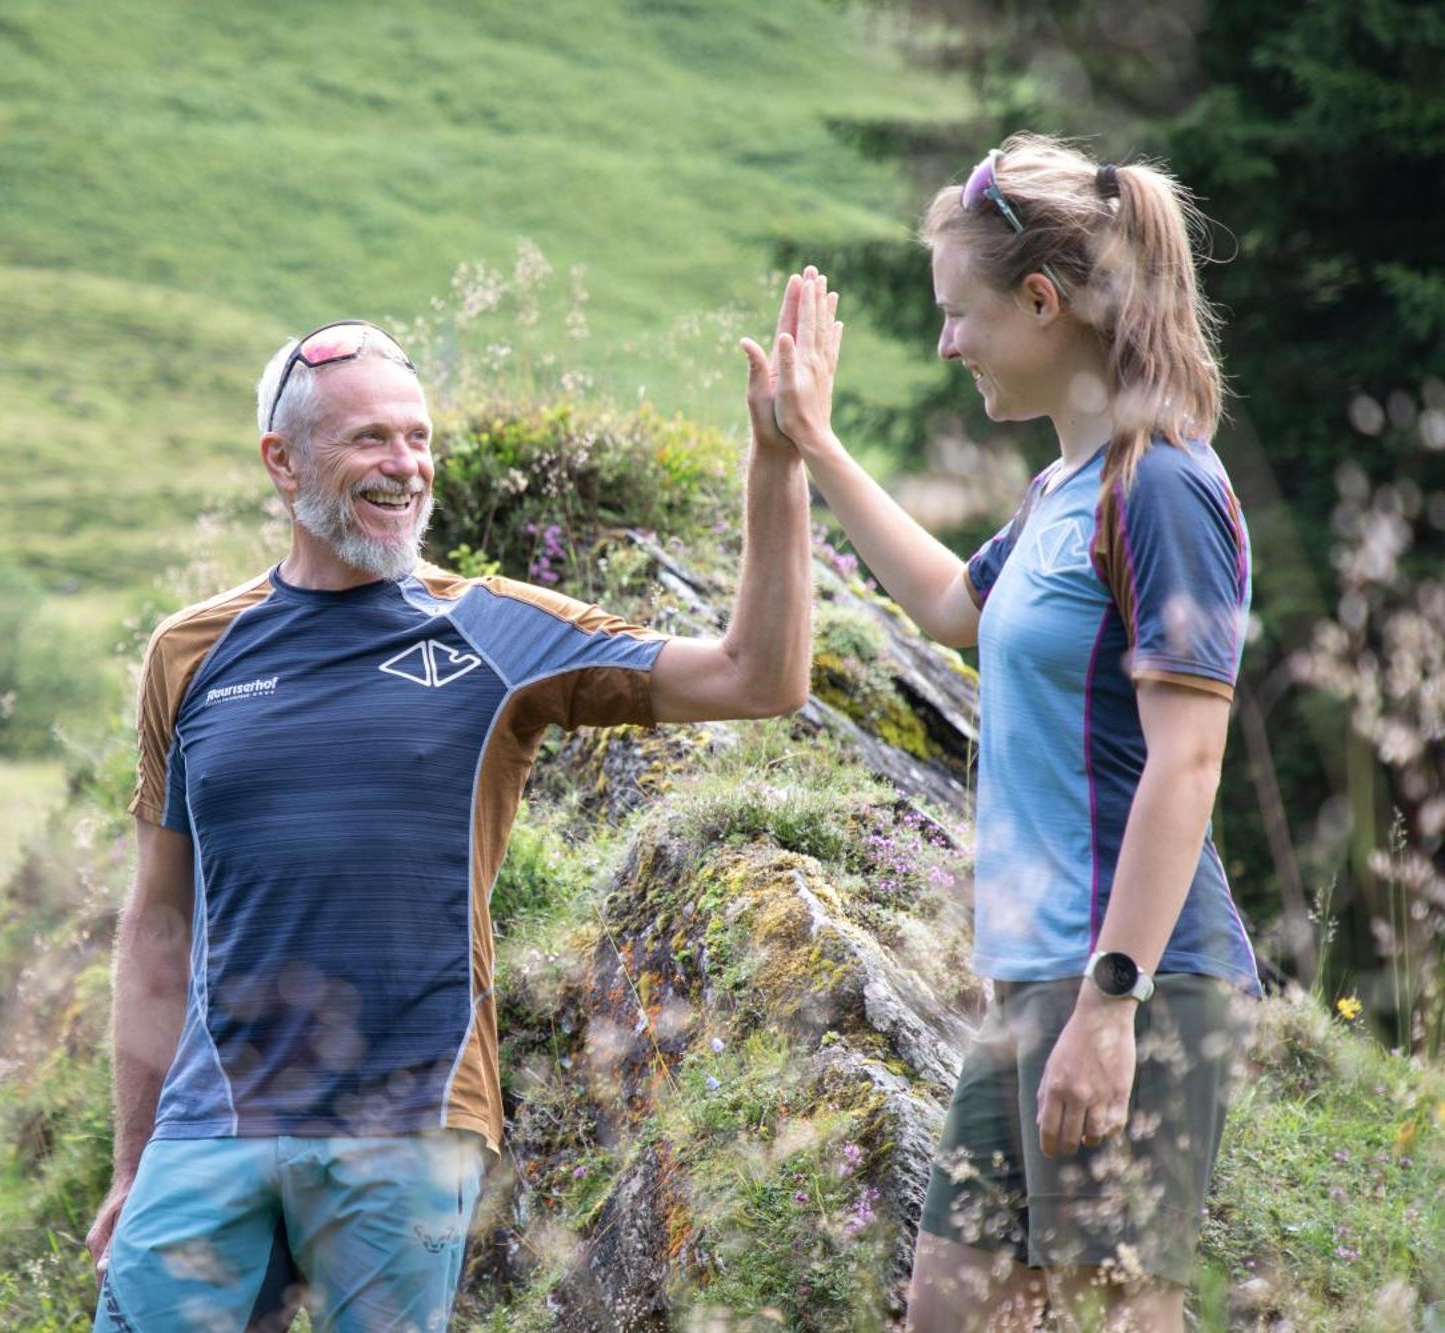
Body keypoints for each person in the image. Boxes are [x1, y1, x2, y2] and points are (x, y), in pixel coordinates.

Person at [85, 315, 816, 1331]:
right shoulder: (189, 652)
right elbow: (155, 925)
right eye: (370, 439)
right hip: (211, 1127)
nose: (406, 465)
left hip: (411, 1128)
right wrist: (134, 1161)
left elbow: (758, 676)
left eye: (418, 437)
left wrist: (777, 463)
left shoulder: (493, 630)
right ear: (282, 461)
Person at [763, 134, 1261, 1332]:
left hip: (1126, 978)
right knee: (951, 1312)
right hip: (1030, 981)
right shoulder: (1060, 494)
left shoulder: (1161, 489)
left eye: (959, 314)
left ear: (1040, 303)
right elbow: (947, 606)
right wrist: (813, 446)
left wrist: (1109, 1004)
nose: (945, 345)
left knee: (1114, 1315)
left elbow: (1187, 763)